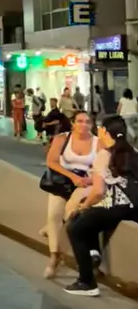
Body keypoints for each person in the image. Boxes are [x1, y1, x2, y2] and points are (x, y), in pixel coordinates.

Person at [64, 115, 138, 296]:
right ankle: (93, 252)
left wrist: (83, 206)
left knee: (75, 226)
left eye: (100, 129)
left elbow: (97, 192)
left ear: (105, 132)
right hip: (134, 208)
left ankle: (87, 282)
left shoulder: (104, 155)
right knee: (93, 217)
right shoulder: (133, 152)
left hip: (117, 206)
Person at [39, 111, 97, 279]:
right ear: (73, 123)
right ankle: (54, 256)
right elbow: (51, 161)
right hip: (63, 180)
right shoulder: (62, 138)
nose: (83, 125)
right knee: (53, 216)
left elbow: (103, 166)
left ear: (92, 125)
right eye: (79, 121)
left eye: (87, 122)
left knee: (71, 212)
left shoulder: (97, 142)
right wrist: (73, 177)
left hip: (85, 182)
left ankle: (56, 248)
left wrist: (89, 178)